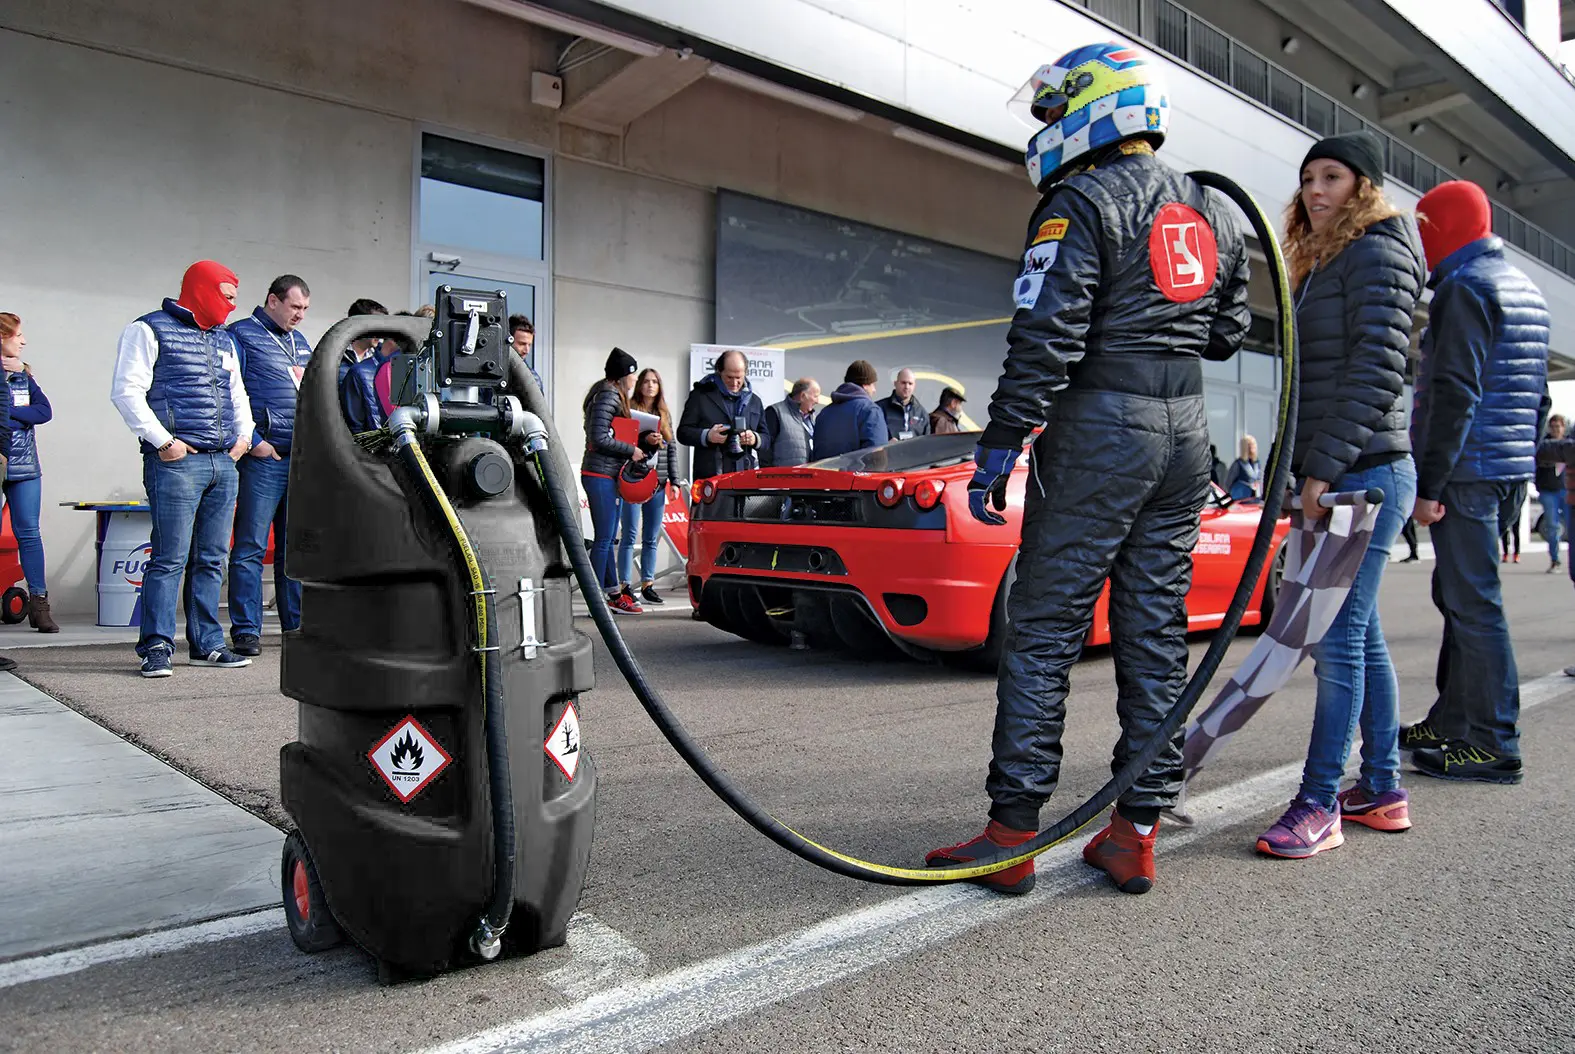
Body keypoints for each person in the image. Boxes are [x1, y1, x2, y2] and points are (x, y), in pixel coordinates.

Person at [926, 43, 1251, 895]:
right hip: (1186, 434)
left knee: (1042, 629)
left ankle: (1010, 835)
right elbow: (1226, 331)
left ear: (1092, 108)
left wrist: (1000, 440)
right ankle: (1134, 830)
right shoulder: (1216, 209)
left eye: (1053, 111)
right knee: (1154, 630)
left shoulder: (1080, 200)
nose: (1046, 128)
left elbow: (1046, 336)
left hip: (1102, 426)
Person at [1251, 131, 1425, 858]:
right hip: (1342, 470)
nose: (1315, 191)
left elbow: (1375, 370)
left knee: (1337, 639)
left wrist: (1318, 470)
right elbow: (1306, 384)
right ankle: (1380, 789)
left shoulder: (1379, 250)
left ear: (1363, 188)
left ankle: (1318, 803)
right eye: (1307, 179)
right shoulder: (1322, 262)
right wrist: (1289, 474)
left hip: (1367, 472)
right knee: (1362, 634)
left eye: (1332, 177)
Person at [1400, 180, 1549, 784]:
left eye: (1424, 231)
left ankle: (1491, 741)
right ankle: (1453, 717)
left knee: (1473, 604)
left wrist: (1429, 483)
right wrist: (1522, 463)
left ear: (1440, 230)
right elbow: (1536, 400)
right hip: (1506, 468)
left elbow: (1453, 392)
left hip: (1467, 470)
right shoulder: (1523, 287)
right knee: (1462, 599)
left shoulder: (1463, 289)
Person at [110, 260, 255, 677]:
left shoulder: (224, 339)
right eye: (227, 296)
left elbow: (237, 393)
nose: (231, 305)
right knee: (169, 558)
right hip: (176, 462)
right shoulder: (148, 329)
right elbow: (126, 392)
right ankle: (156, 646)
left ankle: (206, 643)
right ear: (202, 289)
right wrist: (165, 443)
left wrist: (243, 439)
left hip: (223, 461)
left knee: (212, 558)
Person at [225, 275, 312, 656]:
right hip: (264, 459)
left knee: (294, 549)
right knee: (250, 546)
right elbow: (227, 392)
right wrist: (255, 443)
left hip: (299, 460)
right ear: (272, 301)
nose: (300, 316)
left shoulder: (301, 342)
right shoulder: (241, 335)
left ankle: (295, 625)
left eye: (305, 309)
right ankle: (246, 629)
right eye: (295, 307)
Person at [0, 314, 55, 634]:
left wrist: (9, 414)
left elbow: (44, 411)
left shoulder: (24, 375)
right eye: (17, 335)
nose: (23, 341)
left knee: (29, 534)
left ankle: (39, 603)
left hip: (25, 467)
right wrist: (21, 417)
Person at [583, 348, 647, 615]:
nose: (635, 382)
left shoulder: (606, 394)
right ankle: (595, 600)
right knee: (604, 539)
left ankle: (611, 594)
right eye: (632, 376)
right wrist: (630, 450)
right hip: (599, 475)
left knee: (609, 539)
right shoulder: (609, 395)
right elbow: (598, 437)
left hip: (606, 474)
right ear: (623, 376)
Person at [618, 368, 680, 606]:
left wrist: (674, 480)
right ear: (639, 384)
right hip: (633, 479)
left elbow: (671, 448)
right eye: (646, 381)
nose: (650, 385)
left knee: (651, 537)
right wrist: (645, 439)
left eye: (655, 382)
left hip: (658, 480)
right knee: (629, 534)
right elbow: (623, 443)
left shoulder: (664, 413)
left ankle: (648, 584)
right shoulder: (629, 410)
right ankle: (624, 585)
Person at [677, 349, 769, 479]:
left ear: (745, 374)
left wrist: (755, 438)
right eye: (729, 377)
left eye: (739, 378)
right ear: (720, 372)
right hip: (710, 477)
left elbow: (766, 439)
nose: (734, 383)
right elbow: (683, 433)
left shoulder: (754, 401)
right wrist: (707, 436)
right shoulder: (700, 396)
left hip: (745, 477)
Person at [814, 360, 887, 459]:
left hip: (825, 474)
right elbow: (876, 458)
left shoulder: (824, 413)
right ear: (865, 384)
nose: (874, 390)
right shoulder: (870, 411)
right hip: (854, 473)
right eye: (873, 385)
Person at [761, 378, 819, 466]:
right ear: (803, 396)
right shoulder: (775, 412)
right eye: (815, 396)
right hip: (783, 477)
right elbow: (765, 449)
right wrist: (768, 476)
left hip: (809, 476)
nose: (817, 401)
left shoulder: (813, 419)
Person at [1535, 415, 1566, 572]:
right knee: (1552, 527)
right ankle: (1555, 560)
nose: (1555, 429)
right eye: (1553, 426)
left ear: (1563, 428)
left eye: (1558, 426)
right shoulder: (1543, 445)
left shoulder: (1568, 444)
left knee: (1571, 526)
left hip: (1566, 490)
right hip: (1548, 491)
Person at [877, 368, 930, 441]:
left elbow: (926, 443)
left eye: (910, 383)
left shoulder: (922, 413)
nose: (907, 387)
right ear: (895, 383)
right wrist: (886, 444)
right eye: (903, 383)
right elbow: (874, 439)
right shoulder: (880, 409)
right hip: (889, 452)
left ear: (914, 386)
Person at [1223, 434, 1262, 501]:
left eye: (1253, 444)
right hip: (1240, 497)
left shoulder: (1256, 463)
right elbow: (1228, 482)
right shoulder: (1238, 463)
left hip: (1254, 497)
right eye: (1250, 444)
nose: (1252, 447)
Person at [1499, 493, 1522, 563]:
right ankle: (1505, 553)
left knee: (1516, 531)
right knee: (1504, 530)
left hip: (1516, 508)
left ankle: (1516, 554)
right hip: (1504, 507)